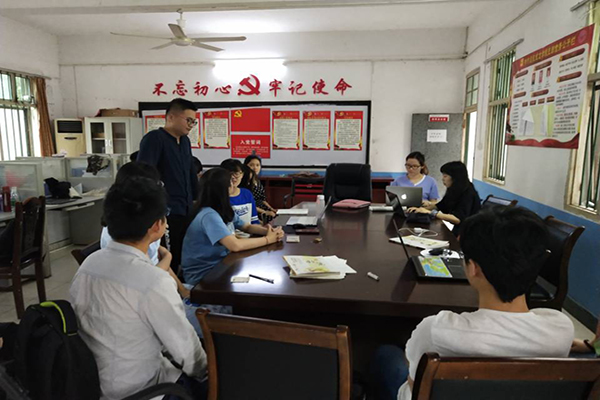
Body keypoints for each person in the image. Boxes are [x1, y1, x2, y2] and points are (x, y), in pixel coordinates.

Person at [372, 207, 575, 400]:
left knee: (385, 355)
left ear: (473, 268)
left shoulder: (436, 329)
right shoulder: (561, 329)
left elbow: (414, 381)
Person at [70, 177, 207, 400]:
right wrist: (208, 372)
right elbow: (186, 350)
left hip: (93, 383)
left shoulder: (89, 264)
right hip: (142, 390)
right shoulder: (153, 281)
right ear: (157, 225)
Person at [181, 167, 284, 285]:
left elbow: (246, 227)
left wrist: (269, 231)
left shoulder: (222, 209)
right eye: (230, 182)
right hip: (204, 275)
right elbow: (235, 245)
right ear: (223, 189)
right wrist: (268, 239)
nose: (233, 184)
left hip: (222, 264)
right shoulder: (209, 215)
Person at [137, 98, 199, 272]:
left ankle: (180, 282)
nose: (191, 125)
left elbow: (190, 172)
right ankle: (168, 284)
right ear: (171, 117)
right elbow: (145, 175)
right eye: (188, 120)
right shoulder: (154, 139)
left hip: (185, 208)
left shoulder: (185, 141)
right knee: (167, 254)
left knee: (182, 252)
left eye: (193, 122)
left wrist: (196, 198)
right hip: (166, 210)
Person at [408, 161, 480, 235]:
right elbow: (441, 205)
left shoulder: (468, 192)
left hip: (470, 232)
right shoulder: (454, 189)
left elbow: (457, 219)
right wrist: (420, 208)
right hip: (460, 229)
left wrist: (430, 212)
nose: (442, 179)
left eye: (445, 176)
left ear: (455, 178)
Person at [220, 158, 259, 225]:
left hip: (249, 230)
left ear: (242, 175)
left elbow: (254, 221)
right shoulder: (219, 195)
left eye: (236, 173)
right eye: (229, 174)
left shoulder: (247, 193)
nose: (233, 177)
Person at [244, 155, 277, 224]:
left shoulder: (257, 181)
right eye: (251, 165)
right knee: (272, 220)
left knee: (278, 217)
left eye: (257, 165)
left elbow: (262, 199)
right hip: (254, 211)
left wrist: (271, 209)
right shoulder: (245, 183)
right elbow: (248, 205)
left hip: (263, 208)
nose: (255, 168)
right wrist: (265, 212)